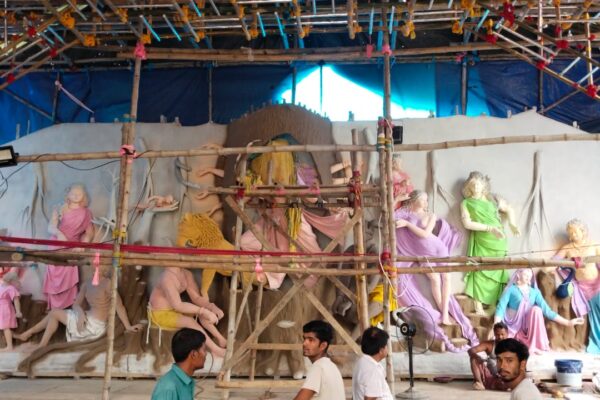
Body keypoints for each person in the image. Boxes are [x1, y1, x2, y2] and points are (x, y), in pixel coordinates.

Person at [16, 265, 142, 349]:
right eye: (95, 266)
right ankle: (34, 339)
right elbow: (76, 304)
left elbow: (119, 306)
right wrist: (81, 314)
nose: (97, 269)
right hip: (84, 318)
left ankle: (35, 340)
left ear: (105, 269)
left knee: (54, 313)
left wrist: (128, 326)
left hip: (94, 326)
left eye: (100, 266)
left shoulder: (108, 284)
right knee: (54, 314)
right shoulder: (86, 284)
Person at [395, 190, 459, 325]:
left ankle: (445, 315)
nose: (425, 203)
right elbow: (389, 217)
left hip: (438, 249)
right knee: (435, 279)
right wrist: (396, 200)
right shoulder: (406, 213)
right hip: (422, 254)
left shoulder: (431, 215)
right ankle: (444, 313)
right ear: (414, 200)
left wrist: (407, 224)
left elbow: (425, 234)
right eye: (422, 199)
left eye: (426, 200)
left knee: (446, 278)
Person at [461, 171, 520, 315]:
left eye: (479, 184)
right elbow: (467, 223)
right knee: (479, 269)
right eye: (473, 184)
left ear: (484, 186)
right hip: (483, 238)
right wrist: (489, 228)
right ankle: (478, 306)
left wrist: (512, 224)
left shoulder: (492, 200)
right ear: (468, 186)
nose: (476, 187)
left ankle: (494, 305)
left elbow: (509, 209)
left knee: (498, 269)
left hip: (499, 240)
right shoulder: (466, 203)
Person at [494, 268, 583, 354]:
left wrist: (568, 322)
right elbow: (500, 308)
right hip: (513, 325)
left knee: (536, 310)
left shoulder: (535, 292)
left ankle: (534, 344)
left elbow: (547, 311)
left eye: (530, 275)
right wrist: (496, 327)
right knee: (504, 344)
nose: (528, 276)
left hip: (527, 326)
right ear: (518, 274)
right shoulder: (511, 289)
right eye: (525, 274)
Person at [148, 266, 226, 358]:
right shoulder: (166, 277)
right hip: (160, 314)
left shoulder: (186, 273)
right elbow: (177, 305)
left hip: (175, 310)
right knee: (190, 321)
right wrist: (204, 311)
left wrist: (211, 307)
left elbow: (196, 298)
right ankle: (215, 350)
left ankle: (221, 339)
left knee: (202, 312)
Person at [44, 184, 95, 309]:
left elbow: (89, 232)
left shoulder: (86, 213)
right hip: (57, 244)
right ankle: (53, 308)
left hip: (72, 246)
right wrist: (59, 234)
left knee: (69, 277)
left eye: (79, 193)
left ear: (84, 196)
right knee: (54, 278)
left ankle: (68, 307)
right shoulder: (59, 208)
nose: (76, 196)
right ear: (68, 194)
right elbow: (50, 227)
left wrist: (83, 243)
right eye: (73, 193)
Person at [293, 320, 345, 400]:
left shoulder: (318, 367)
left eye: (311, 340)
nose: (304, 343)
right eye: (304, 339)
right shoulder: (332, 366)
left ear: (323, 345)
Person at [151, 328, 207, 400]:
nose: (206, 354)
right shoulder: (168, 388)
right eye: (204, 350)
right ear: (194, 354)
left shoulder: (187, 381)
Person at [352, 327, 394, 400]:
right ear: (381, 350)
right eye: (386, 345)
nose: (387, 348)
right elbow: (370, 398)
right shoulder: (373, 369)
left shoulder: (362, 362)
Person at [468, 322, 509, 391]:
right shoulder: (489, 344)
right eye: (497, 334)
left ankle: (503, 384)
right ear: (494, 334)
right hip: (489, 376)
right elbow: (471, 350)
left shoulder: (512, 345)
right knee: (473, 359)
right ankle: (480, 383)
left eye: (502, 334)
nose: (500, 337)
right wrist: (477, 357)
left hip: (504, 377)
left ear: (507, 334)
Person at [0, 272, 21, 351]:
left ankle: (9, 346)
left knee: (6, 327)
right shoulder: (1, 286)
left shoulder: (11, 288)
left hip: (5, 309)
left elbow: (16, 300)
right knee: (4, 327)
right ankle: (18, 337)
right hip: (1, 308)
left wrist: (18, 311)